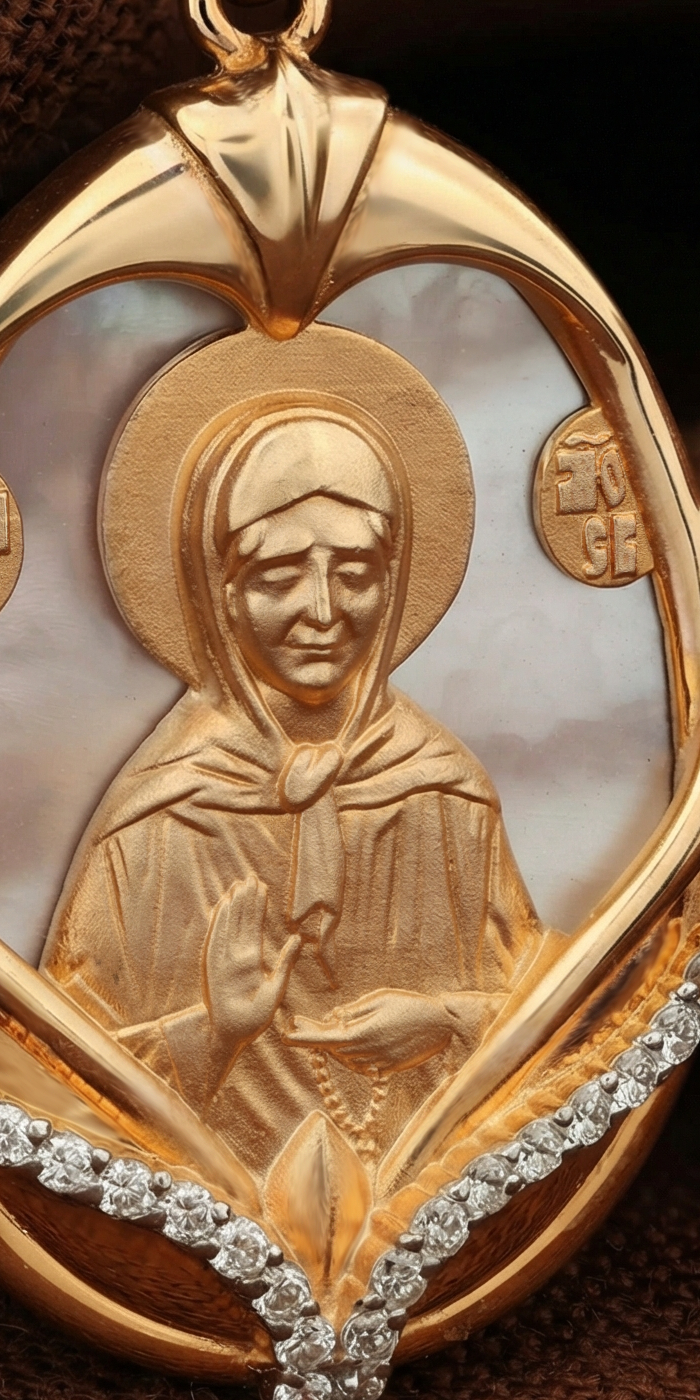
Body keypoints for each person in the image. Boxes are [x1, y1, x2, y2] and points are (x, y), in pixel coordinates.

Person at [44, 399, 552, 1192]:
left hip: (438, 1198)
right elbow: (53, 1077)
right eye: (280, 577)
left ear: (393, 584)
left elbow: (557, 1020)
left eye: (355, 574)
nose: (323, 611)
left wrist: (445, 1023)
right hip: (205, 1214)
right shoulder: (158, 820)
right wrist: (212, 1031)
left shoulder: (448, 796)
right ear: (222, 593)